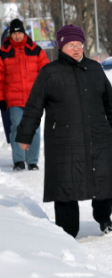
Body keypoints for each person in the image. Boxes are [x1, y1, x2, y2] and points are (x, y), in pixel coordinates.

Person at [15, 24, 112, 238]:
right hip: (64, 139)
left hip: (98, 136)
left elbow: (111, 104)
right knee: (65, 185)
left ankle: (104, 219)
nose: (76, 49)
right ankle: (67, 231)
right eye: (70, 45)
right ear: (61, 47)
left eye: (79, 45)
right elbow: (34, 106)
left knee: (103, 180)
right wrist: (25, 135)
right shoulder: (49, 73)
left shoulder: (95, 69)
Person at [0, 18, 49, 170]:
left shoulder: (36, 50)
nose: (17, 36)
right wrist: (1, 98)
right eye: (14, 34)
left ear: (24, 33)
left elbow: (47, 74)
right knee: (17, 127)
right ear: (10, 35)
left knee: (34, 128)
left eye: (20, 33)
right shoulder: (3, 53)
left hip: (34, 99)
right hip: (14, 98)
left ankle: (32, 161)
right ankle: (19, 160)